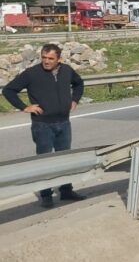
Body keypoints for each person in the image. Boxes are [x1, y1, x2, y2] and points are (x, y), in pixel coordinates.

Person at [2, 43, 86, 208]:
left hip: (64, 122)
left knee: (65, 159)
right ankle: (46, 194)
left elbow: (79, 83)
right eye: (44, 57)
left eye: (50, 58)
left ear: (59, 59)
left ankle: (66, 191)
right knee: (44, 161)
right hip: (42, 125)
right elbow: (9, 90)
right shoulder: (32, 74)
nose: (46, 61)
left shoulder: (67, 70)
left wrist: (75, 99)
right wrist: (25, 107)